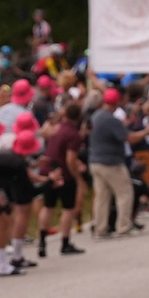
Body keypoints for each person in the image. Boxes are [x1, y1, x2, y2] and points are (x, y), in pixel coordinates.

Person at [87, 88, 148, 237]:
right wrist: (147, 131)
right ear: (117, 102)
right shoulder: (111, 119)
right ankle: (123, 227)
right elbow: (128, 138)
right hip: (111, 162)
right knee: (125, 193)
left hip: (95, 161)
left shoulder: (96, 116)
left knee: (102, 196)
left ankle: (100, 229)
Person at [38, 101, 86, 258]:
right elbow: (70, 158)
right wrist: (77, 176)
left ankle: (42, 242)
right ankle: (65, 242)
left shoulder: (56, 128)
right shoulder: (73, 134)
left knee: (48, 207)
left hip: (48, 171)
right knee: (67, 209)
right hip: (64, 174)